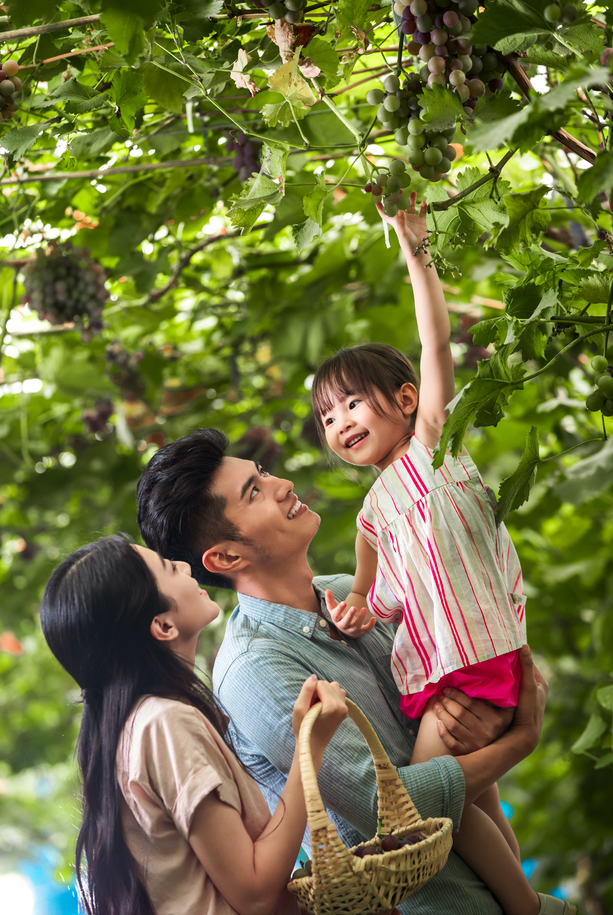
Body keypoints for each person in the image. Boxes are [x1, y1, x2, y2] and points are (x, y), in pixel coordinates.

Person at [136, 427, 551, 915]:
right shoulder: (253, 669)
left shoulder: (351, 592)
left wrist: (485, 725)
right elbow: (389, 809)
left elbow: (451, 701)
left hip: (500, 890)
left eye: (262, 473)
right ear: (227, 557)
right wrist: (518, 741)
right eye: (254, 492)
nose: (282, 483)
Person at [308, 197, 574, 915]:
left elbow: (434, 344)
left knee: (423, 802)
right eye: (328, 418)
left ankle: (523, 907)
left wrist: (414, 246)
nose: (340, 424)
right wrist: (352, 608)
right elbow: (366, 599)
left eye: (353, 405)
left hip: (474, 663)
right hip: (431, 675)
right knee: (475, 798)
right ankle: (523, 901)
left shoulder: (431, 450)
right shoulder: (371, 513)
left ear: (403, 401)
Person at [40, 533, 349, 915]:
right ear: (163, 626)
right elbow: (255, 894)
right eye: (170, 568)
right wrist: (309, 748)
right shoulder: (164, 723)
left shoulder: (137, 726)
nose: (186, 566)